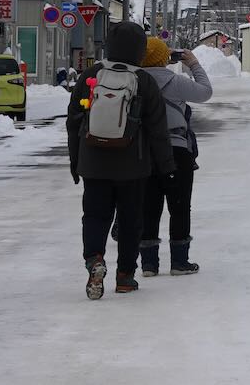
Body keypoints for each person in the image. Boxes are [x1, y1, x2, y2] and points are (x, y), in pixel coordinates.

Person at [67, 22, 175, 299]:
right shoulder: (144, 81)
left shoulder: (91, 76)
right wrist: (166, 167)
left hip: (93, 162)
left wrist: (76, 161)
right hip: (133, 165)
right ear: (140, 49)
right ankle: (126, 276)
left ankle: (95, 260)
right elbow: (157, 130)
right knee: (130, 221)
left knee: (94, 216)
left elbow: (73, 121)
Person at [137, 38, 212, 276]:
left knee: (148, 205)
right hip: (177, 149)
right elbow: (205, 91)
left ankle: (148, 264)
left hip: (144, 150)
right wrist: (194, 64)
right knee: (179, 205)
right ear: (164, 58)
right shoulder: (175, 81)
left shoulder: (133, 81)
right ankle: (179, 261)